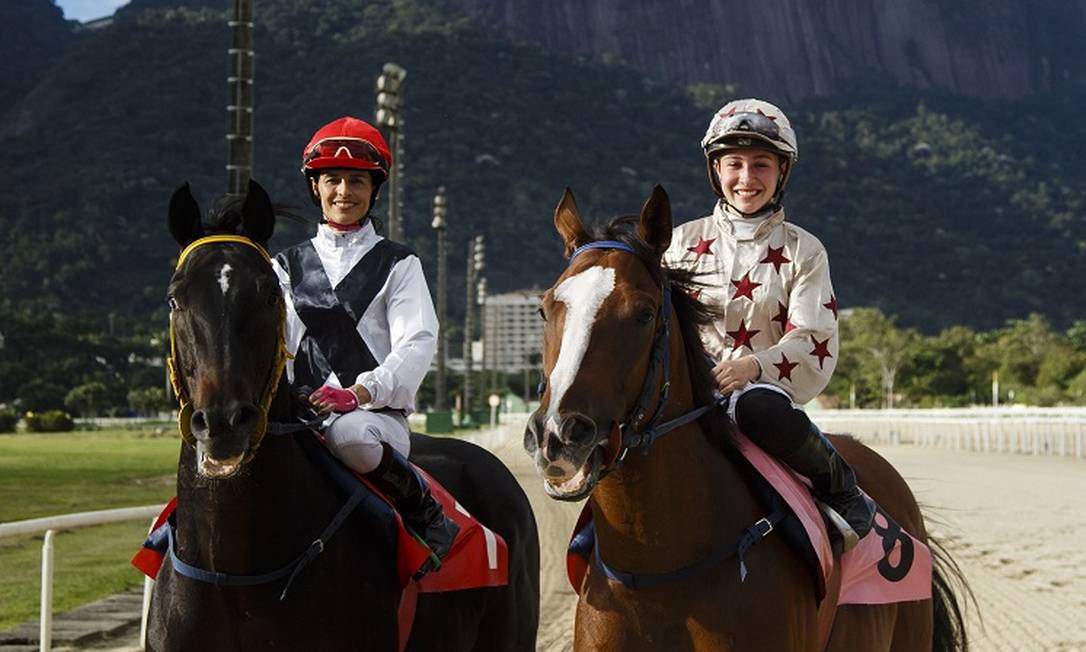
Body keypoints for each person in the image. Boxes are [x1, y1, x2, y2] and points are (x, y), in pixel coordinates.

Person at [663, 98, 876, 552]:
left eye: (761, 165)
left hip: (761, 392)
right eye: (734, 164)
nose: (746, 178)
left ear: (782, 172)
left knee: (759, 408)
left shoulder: (805, 250)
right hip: (686, 393)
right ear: (716, 169)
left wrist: (751, 368)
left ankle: (843, 490)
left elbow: (812, 335)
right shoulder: (678, 244)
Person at [271, 116, 458, 571]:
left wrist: (359, 393)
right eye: (332, 179)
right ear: (315, 187)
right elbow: (277, 347)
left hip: (375, 419)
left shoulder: (400, 263)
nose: (343, 192)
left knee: (349, 435)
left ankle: (427, 513)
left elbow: (416, 342)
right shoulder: (284, 267)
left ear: (375, 189)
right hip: (302, 417)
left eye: (357, 181)